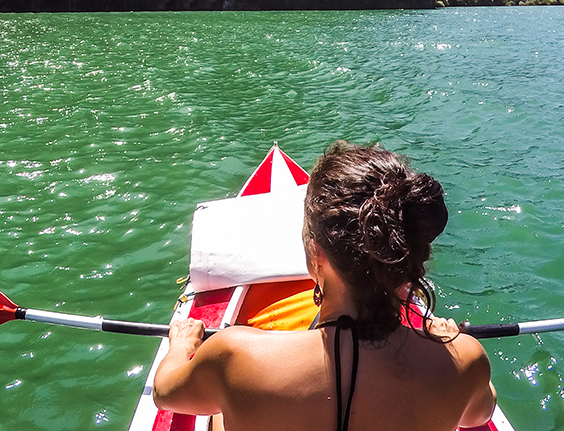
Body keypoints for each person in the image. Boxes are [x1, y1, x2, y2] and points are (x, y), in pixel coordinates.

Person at [152, 142, 497, 431]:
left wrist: (182, 346)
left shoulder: (234, 356)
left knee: (218, 412)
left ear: (317, 254)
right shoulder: (466, 360)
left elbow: (166, 393)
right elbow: (476, 415)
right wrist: (445, 342)